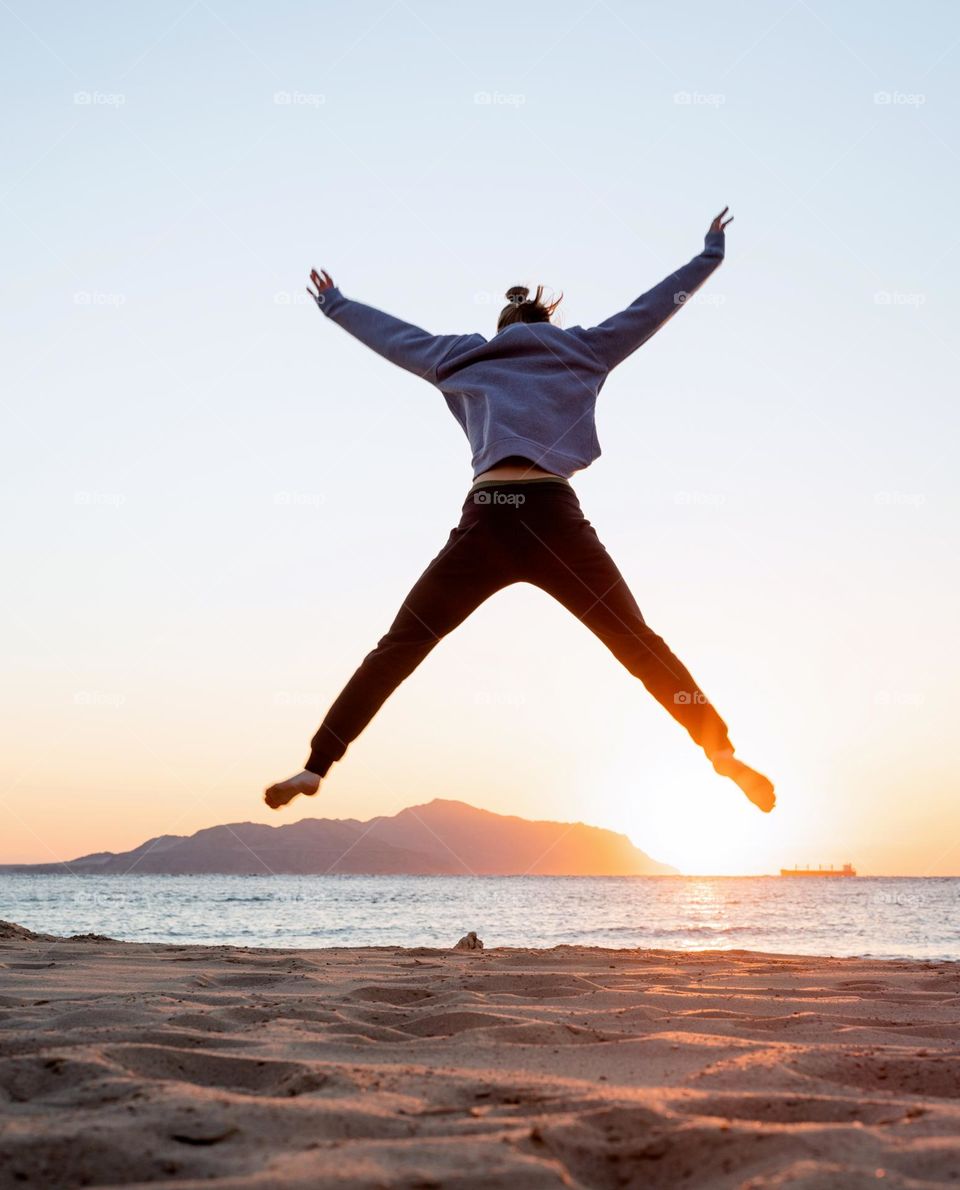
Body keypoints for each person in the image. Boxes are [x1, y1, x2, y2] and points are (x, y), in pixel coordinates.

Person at [265, 207, 775, 815]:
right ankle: (719, 753)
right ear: (545, 322)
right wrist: (709, 255)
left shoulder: (463, 356)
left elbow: (395, 339)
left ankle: (316, 765)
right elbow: (654, 307)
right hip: (554, 513)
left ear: (501, 326)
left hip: (488, 513)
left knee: (399, 646)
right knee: (637, 643)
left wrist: (337, 305)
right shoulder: (584, 349)